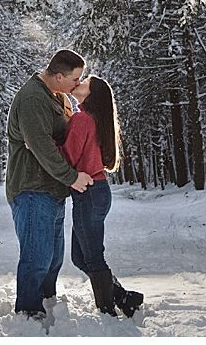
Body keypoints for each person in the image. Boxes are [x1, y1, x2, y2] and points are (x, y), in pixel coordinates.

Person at [5, 49, 94, 319]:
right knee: (37, 256)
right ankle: (28, 313)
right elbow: (41, 146)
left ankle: (46, 302)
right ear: (57, 76)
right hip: (33, 189)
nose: (77, 84)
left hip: (51, 190)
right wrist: (71, 178)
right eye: (75, 79)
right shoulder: (33, 99)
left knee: (54, 257)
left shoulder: (56, 96)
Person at [63, 75, 144, 318]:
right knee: (80, 257)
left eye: (85, 82)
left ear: (91, 94)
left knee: (93, 257)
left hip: (89, 194)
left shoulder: (82, 120)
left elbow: (68, 156)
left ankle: (108, 311)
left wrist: (37, 145)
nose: (79, 83)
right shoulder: (94, 120)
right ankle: (124, 297)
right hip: (98, 192)